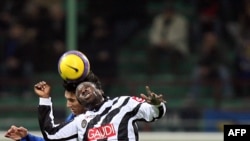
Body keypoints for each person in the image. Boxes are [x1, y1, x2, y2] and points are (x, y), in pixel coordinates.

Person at [34, 72, 166, 141]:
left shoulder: (124, 103)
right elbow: (50, 135)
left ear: (100, 90)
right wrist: (44, 99)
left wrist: (157, 104)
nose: (83, 92)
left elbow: (154, 114)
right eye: (80, 93)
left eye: (85, 89)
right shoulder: (80, 122)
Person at [4, 71, 100, 141]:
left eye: (72, 100)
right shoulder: (74, 119)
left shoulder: (104, 121)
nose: (68, 105)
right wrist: (27, 138)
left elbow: (51, 135)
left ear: (88, 98)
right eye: (67, 99)